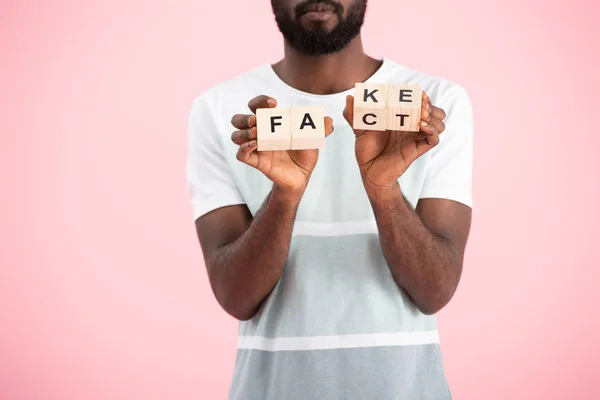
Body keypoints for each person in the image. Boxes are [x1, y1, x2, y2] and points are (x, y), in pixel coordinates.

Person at [186, 0, 473, 398]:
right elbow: (236, 298)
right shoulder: (217, 110)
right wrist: (285, 196)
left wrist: (384, 190)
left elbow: (434, 291)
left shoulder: (436, 104)